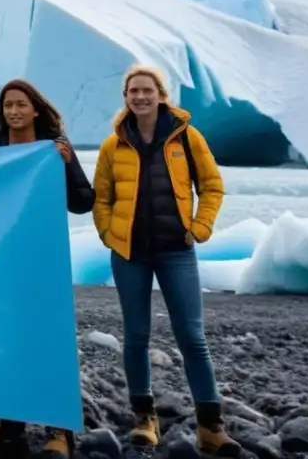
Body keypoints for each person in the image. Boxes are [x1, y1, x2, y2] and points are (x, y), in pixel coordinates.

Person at [92, 65, 239, 457]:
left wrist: (201, 226)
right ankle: (144, 418)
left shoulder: (186, 138)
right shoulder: (113, 145)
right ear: (126, 97)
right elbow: (101, 196)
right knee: (136, 336)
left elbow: (211, 185)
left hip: (177, 250)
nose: (139, 97)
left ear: (160, 94)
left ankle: (211, 426)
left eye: (146, 90)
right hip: (130, 254)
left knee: (192, 337)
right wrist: (108, 233)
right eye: (132, 91)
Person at [0, 79, 94, 459]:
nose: (14, 111)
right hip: (6, 260)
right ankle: (11, 422)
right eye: (8, 105)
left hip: (44, 259)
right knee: (7, 339)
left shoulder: (53, 150)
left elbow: (83, 202)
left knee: (48, 339)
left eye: (21, 104)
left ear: (36, 109)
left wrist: (66, 163)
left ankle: (58, 429)